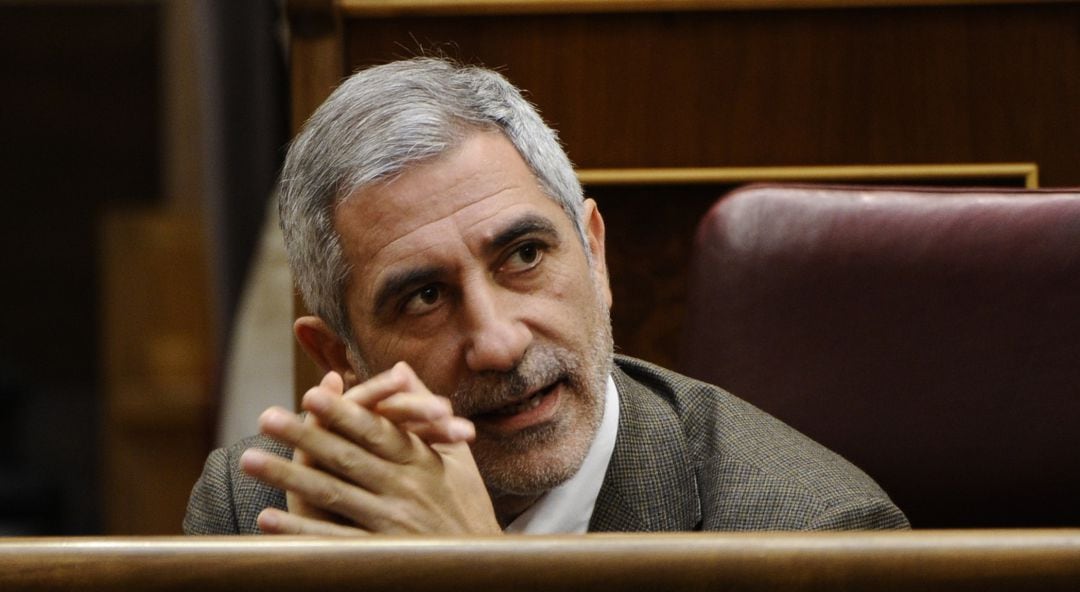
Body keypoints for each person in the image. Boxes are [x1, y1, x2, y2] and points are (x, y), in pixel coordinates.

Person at [184, 57, 908, 535]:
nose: (499, 342)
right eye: (425, 297)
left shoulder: (812, 535)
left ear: (594, 254)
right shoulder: (257, 510)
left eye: (524, 256)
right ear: (339, 355)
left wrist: (477, 587)